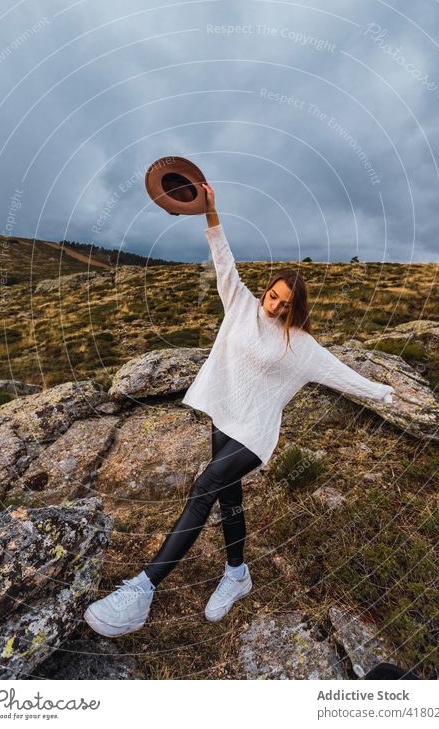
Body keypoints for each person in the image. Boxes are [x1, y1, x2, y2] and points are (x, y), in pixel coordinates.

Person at [84, 183, 396, 638]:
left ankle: (143, 587)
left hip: (255, 433)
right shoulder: (240, 306)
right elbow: (223, 259)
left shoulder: (301, 345)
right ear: (266, 291)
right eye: (273, 296)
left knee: (204, 488)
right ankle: (237, 574)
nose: (276, 306)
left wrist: (386, 394)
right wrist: (211, 213)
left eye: (286, 304)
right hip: (224, 418)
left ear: (297, 309)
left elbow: (343, 375)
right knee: (229, 499)